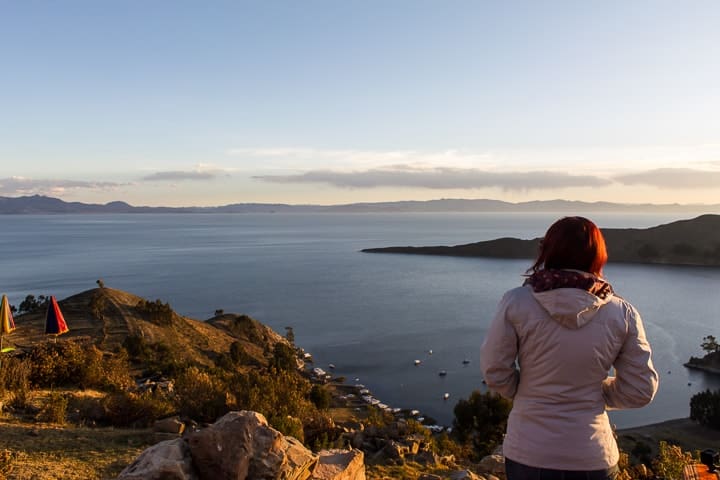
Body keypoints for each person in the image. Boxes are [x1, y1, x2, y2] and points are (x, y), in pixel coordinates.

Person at [480, 216, 658, 480]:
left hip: (529, 451)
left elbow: (495, 372)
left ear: (547, 251)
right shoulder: (622, 313)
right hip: (593, 455)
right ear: (598, 256)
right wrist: (595, 392)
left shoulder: (516, 302)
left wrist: (528, 391)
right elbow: (640, 390)